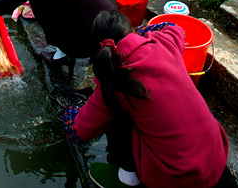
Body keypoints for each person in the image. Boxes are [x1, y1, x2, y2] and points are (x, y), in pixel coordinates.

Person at [62, 10, 229, 188]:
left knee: (116, 114)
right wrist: (138, 34)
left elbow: (78, 132)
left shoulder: (112, 80)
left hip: (180, 177)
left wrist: (70, 112)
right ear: (130, 30)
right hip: (216, 157)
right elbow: (175, 28)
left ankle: (127, 179)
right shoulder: (163, 43)